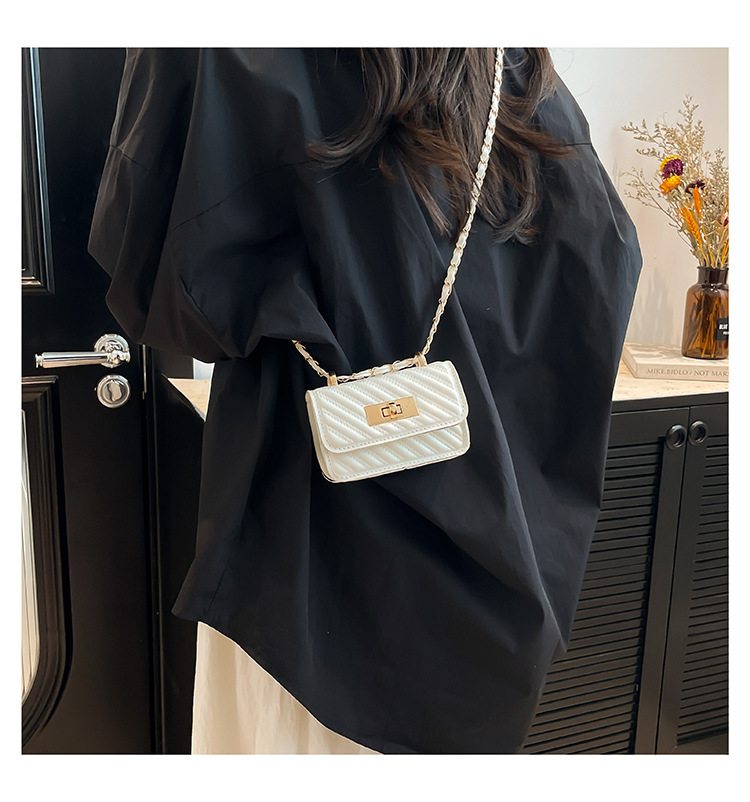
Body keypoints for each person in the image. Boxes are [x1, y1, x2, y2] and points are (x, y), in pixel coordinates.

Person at [88, 47, 642, 754]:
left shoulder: (239, 47)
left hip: (305, 574)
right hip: (500, 572)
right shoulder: (512, 67)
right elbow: (604, 268)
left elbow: (151, 277)